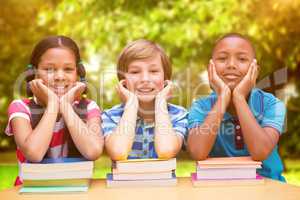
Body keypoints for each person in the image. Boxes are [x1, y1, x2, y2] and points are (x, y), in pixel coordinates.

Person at [5, 35, 104, 185]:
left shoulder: (89, 107)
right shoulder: (20, 108)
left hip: (76, 190)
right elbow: (34, 153)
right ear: (34, 73)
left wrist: (65, 106)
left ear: (78, 73)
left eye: (68, 69)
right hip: (31, 192)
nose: (59, 76)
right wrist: (52, 105)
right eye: (49, 69)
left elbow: (93, 151)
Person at [187, 33, 286, 181]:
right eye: (222, 58)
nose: (231, 65)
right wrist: (223, 98)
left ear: (256, 71)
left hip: (269, 187)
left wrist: (239, 97)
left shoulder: (271, 104)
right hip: (219, 189)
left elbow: (260, 152)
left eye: (242, 59)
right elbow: (197, 152)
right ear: (210, 68)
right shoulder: (201, 107)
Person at [102, 39, 188, 160]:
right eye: (135, 72)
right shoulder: (111, 116)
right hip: (125, 179)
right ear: (124, 81)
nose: (145, 79)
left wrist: (160, 102)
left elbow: (166, 151)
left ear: (165, 79)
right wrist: (131, 104)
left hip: (163, 180)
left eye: (153, 71)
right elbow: (118, 152)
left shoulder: (178, 115)